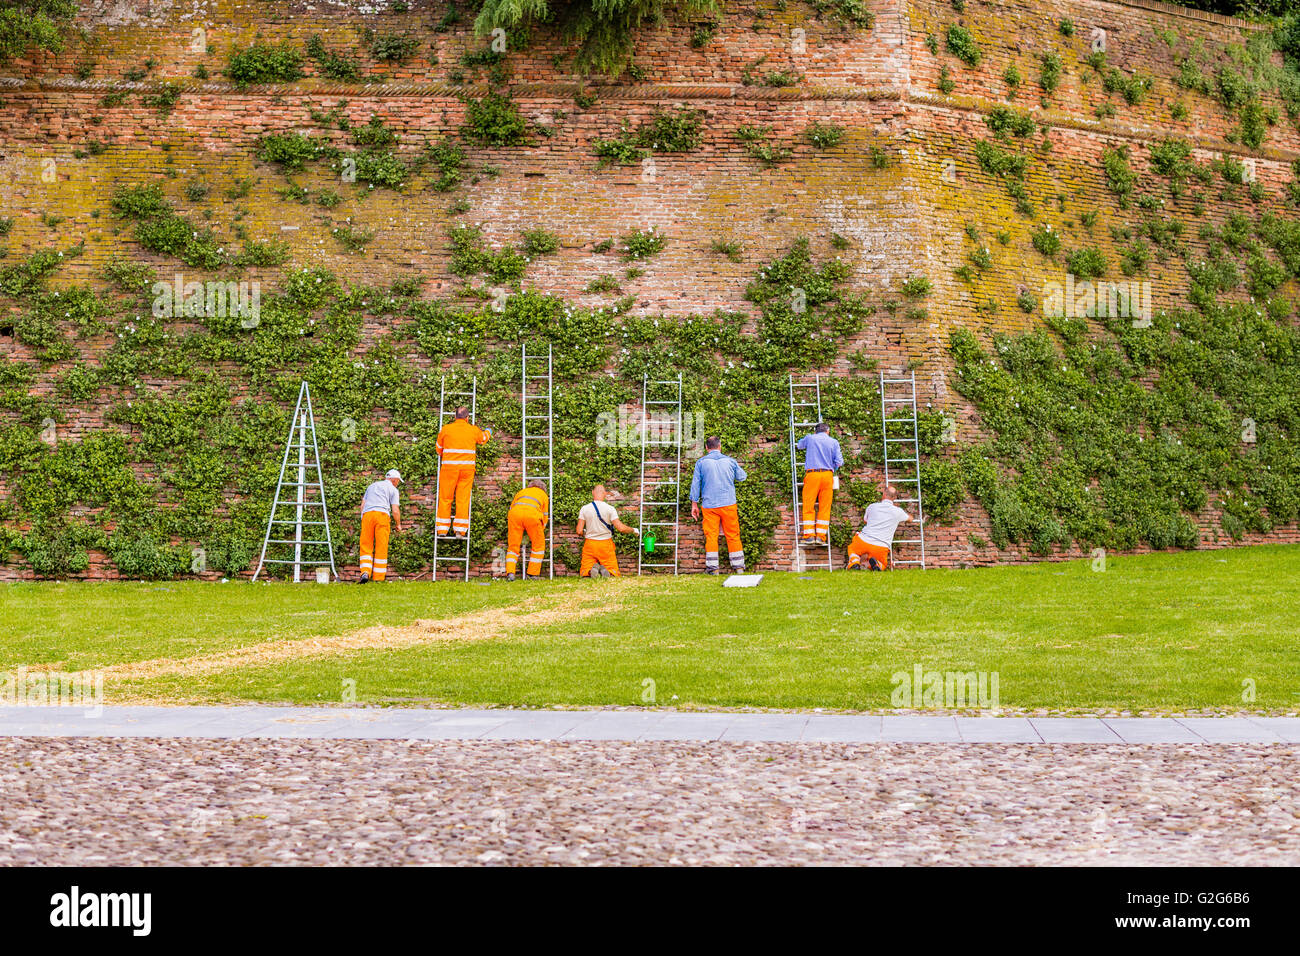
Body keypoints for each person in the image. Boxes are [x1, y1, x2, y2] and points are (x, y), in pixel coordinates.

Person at [689, 436, 747, 575]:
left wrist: (694, 504)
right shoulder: (730, 461)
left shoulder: (701, 463)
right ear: (720, 446)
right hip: (728, 503)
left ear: (707, 448)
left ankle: (713, 569)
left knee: (711, 536)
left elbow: (695, 485)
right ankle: (738, 567)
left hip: (709, 505)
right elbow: (742, 477)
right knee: (733, 535)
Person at [435, 407, 492, 538]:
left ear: (455, 417)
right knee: (463, 498)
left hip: (449, 469)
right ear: (467, 418)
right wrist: (489, 431)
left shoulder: (446, 429)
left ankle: (442, 529)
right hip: (467, 470)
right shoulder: (473, 430)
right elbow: (483, 438)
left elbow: (438, 449)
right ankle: (460, 530)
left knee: (445, 497)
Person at [795, 422, 844, 543]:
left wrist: (808, 438)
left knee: (808, 505)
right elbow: (839, 462)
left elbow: (799, 446)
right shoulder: (834, 442)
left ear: (815, 431)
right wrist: (832, 468)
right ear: (828, 431)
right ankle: (821, 537)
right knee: (825, 507)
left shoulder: (810, 438)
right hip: (828, 475)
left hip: (812, 475)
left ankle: (809, 536)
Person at [576, 485, 639, 578]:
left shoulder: (585, 508)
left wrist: (585, 532)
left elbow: (579, 530)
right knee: (613, 571)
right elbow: (621, 528)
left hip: (590, 544)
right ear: (605, 494)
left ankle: (590, 572)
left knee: (585, 569)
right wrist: (634, 530)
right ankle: (608, 573)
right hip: (605, 544)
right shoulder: (610, 509)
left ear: (593, 492)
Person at [847, 484, 911, 571]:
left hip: (863, 540)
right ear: (895, 497)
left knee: (852, 549)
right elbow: (910, 519)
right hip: (881, 546)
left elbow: (866, 520)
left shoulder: (872, 506)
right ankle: (876, 564)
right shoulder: (898, 511)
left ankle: (854, 562)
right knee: (883, 564)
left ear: (884, 494)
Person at [358, 469, 403, 583]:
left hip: (368, 515)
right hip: (382, 516)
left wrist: (364, 519)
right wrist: (398, 524)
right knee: (381, 546)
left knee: (365, 544)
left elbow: (362, 505)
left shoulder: (372, 486)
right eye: (398, 481)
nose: (397, 483)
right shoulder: (393, 489)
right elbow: (395, 510)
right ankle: (378, 577)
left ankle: (365, 572)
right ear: (394, 480)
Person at [505, 479, 549, 580]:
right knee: (538, 546)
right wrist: (540, 530)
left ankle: (510, 573)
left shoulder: (521, 492)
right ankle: (532, 574)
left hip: (514, 515)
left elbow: (512, 508)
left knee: (513, 546)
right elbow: (545, 515)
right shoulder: (543, 495)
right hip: (532, 516)